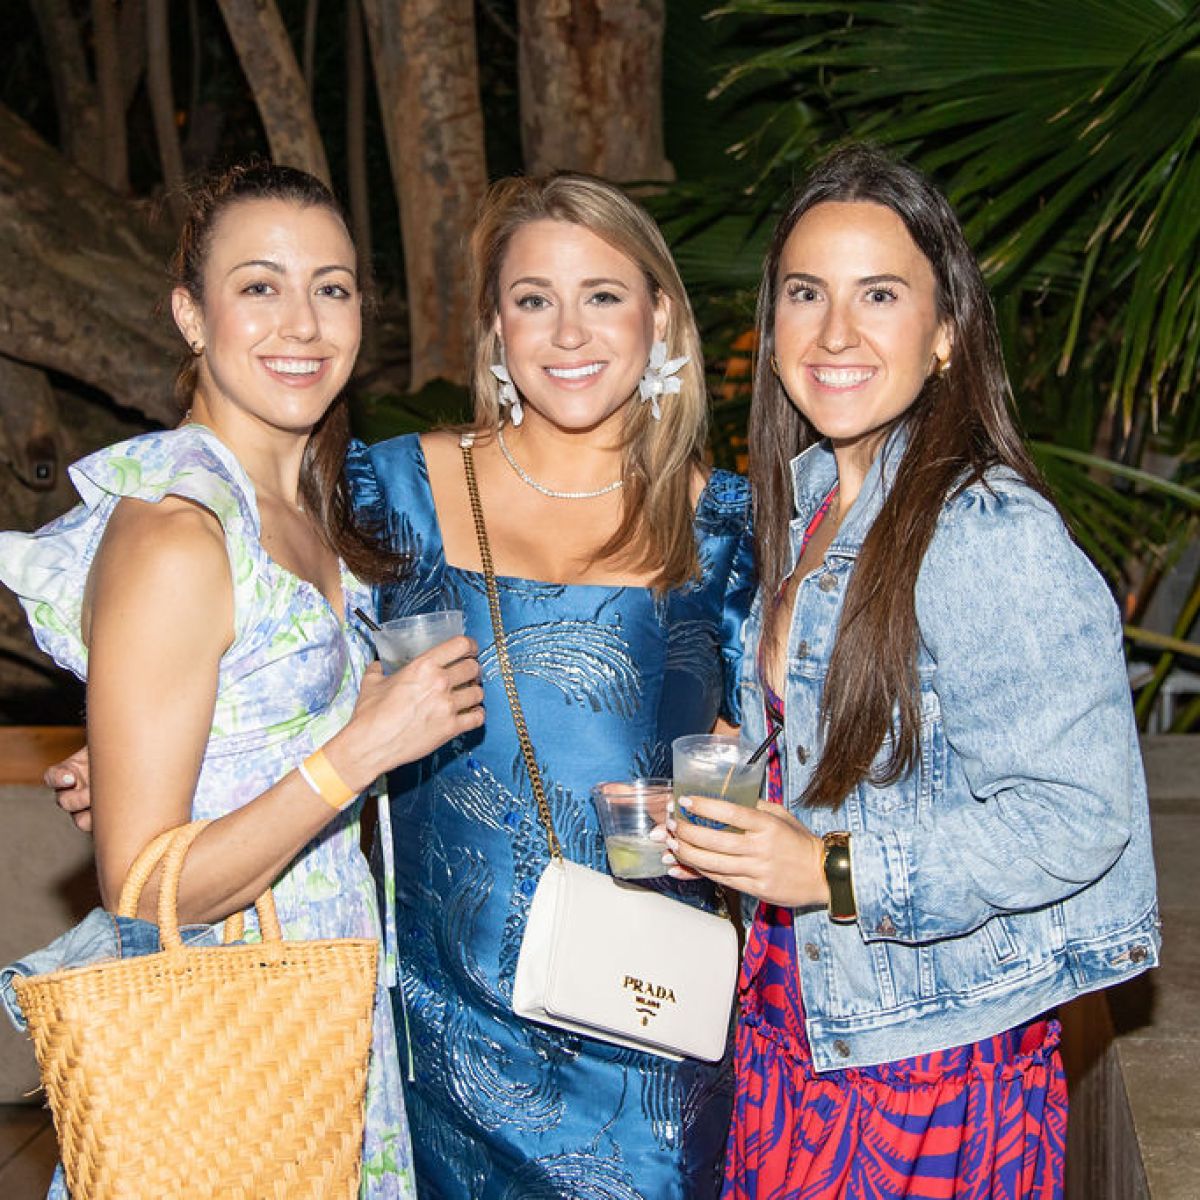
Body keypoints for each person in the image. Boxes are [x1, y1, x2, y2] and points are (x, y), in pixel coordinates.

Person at [665, 144, 1160, 1199]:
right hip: (795, 1021)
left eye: (878, 295)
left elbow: (1078, 814)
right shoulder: (807, 510)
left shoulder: (984, 528)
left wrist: (833, 870)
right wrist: (745, 776)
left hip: (928, 1061)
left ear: (944, 334)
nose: (835, 332)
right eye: (807, 293)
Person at [0, 162, 484, 1199]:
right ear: (190, 313)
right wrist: (363, 747)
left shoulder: (309, 516)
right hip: (228, 1038)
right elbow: (141, 885)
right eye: (259, 286)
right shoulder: (180, 534)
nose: (302, 322)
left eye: (334, 287)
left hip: (325, 1002)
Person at [343, 172, 755, 1197]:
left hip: (644, 1027)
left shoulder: (729, 525)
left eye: (603, 296)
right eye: (534, 299)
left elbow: (752, 754)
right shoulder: (393, 490)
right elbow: (278, 646)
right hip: (433, 1033)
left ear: (659, 317)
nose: (568, 332)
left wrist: (697, 822)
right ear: (495, 326)